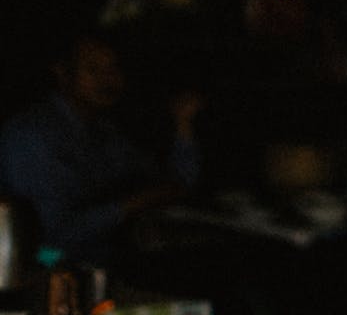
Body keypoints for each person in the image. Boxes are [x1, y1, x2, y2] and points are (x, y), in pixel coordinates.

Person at [0, 30, 200, 266]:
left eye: (113, 69)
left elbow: (174, 184)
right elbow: (52, 240)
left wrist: (183, 125)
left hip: (99, 263)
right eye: (93, 70)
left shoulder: (105, 134)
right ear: (63, 73)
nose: (107, 79)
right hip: (37, 264)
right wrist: (130, 206)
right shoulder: (32, 135)